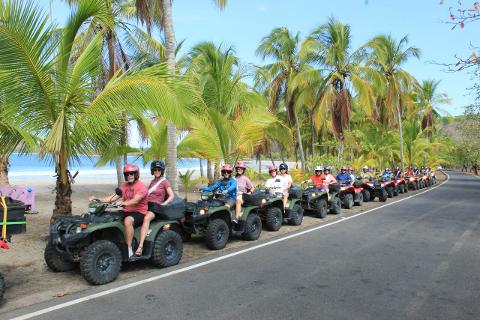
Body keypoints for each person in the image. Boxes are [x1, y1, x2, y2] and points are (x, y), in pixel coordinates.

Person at [89, 164, 148, 259]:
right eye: (127, 174)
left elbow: (136, 200)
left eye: (132, 173)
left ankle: (129, 249)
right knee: (108, 217)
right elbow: (112, 198)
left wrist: (124, 203)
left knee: (128, 220)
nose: (129, 176)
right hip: (126, 210)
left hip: (139, 212)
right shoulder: (124, 186)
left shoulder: (142, 187)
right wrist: (97, 199)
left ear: (136, 174)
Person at [135, 160, 175, 257]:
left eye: (159, 170)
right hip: (147, 204)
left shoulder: (164, 182)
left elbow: (171, 195)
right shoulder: (152, 182)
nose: (157, 171)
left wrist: (164, 203)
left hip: (156, 207)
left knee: (146, 218)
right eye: (155, 170)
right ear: (152, 171)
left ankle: (140, 246)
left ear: (162, 171)